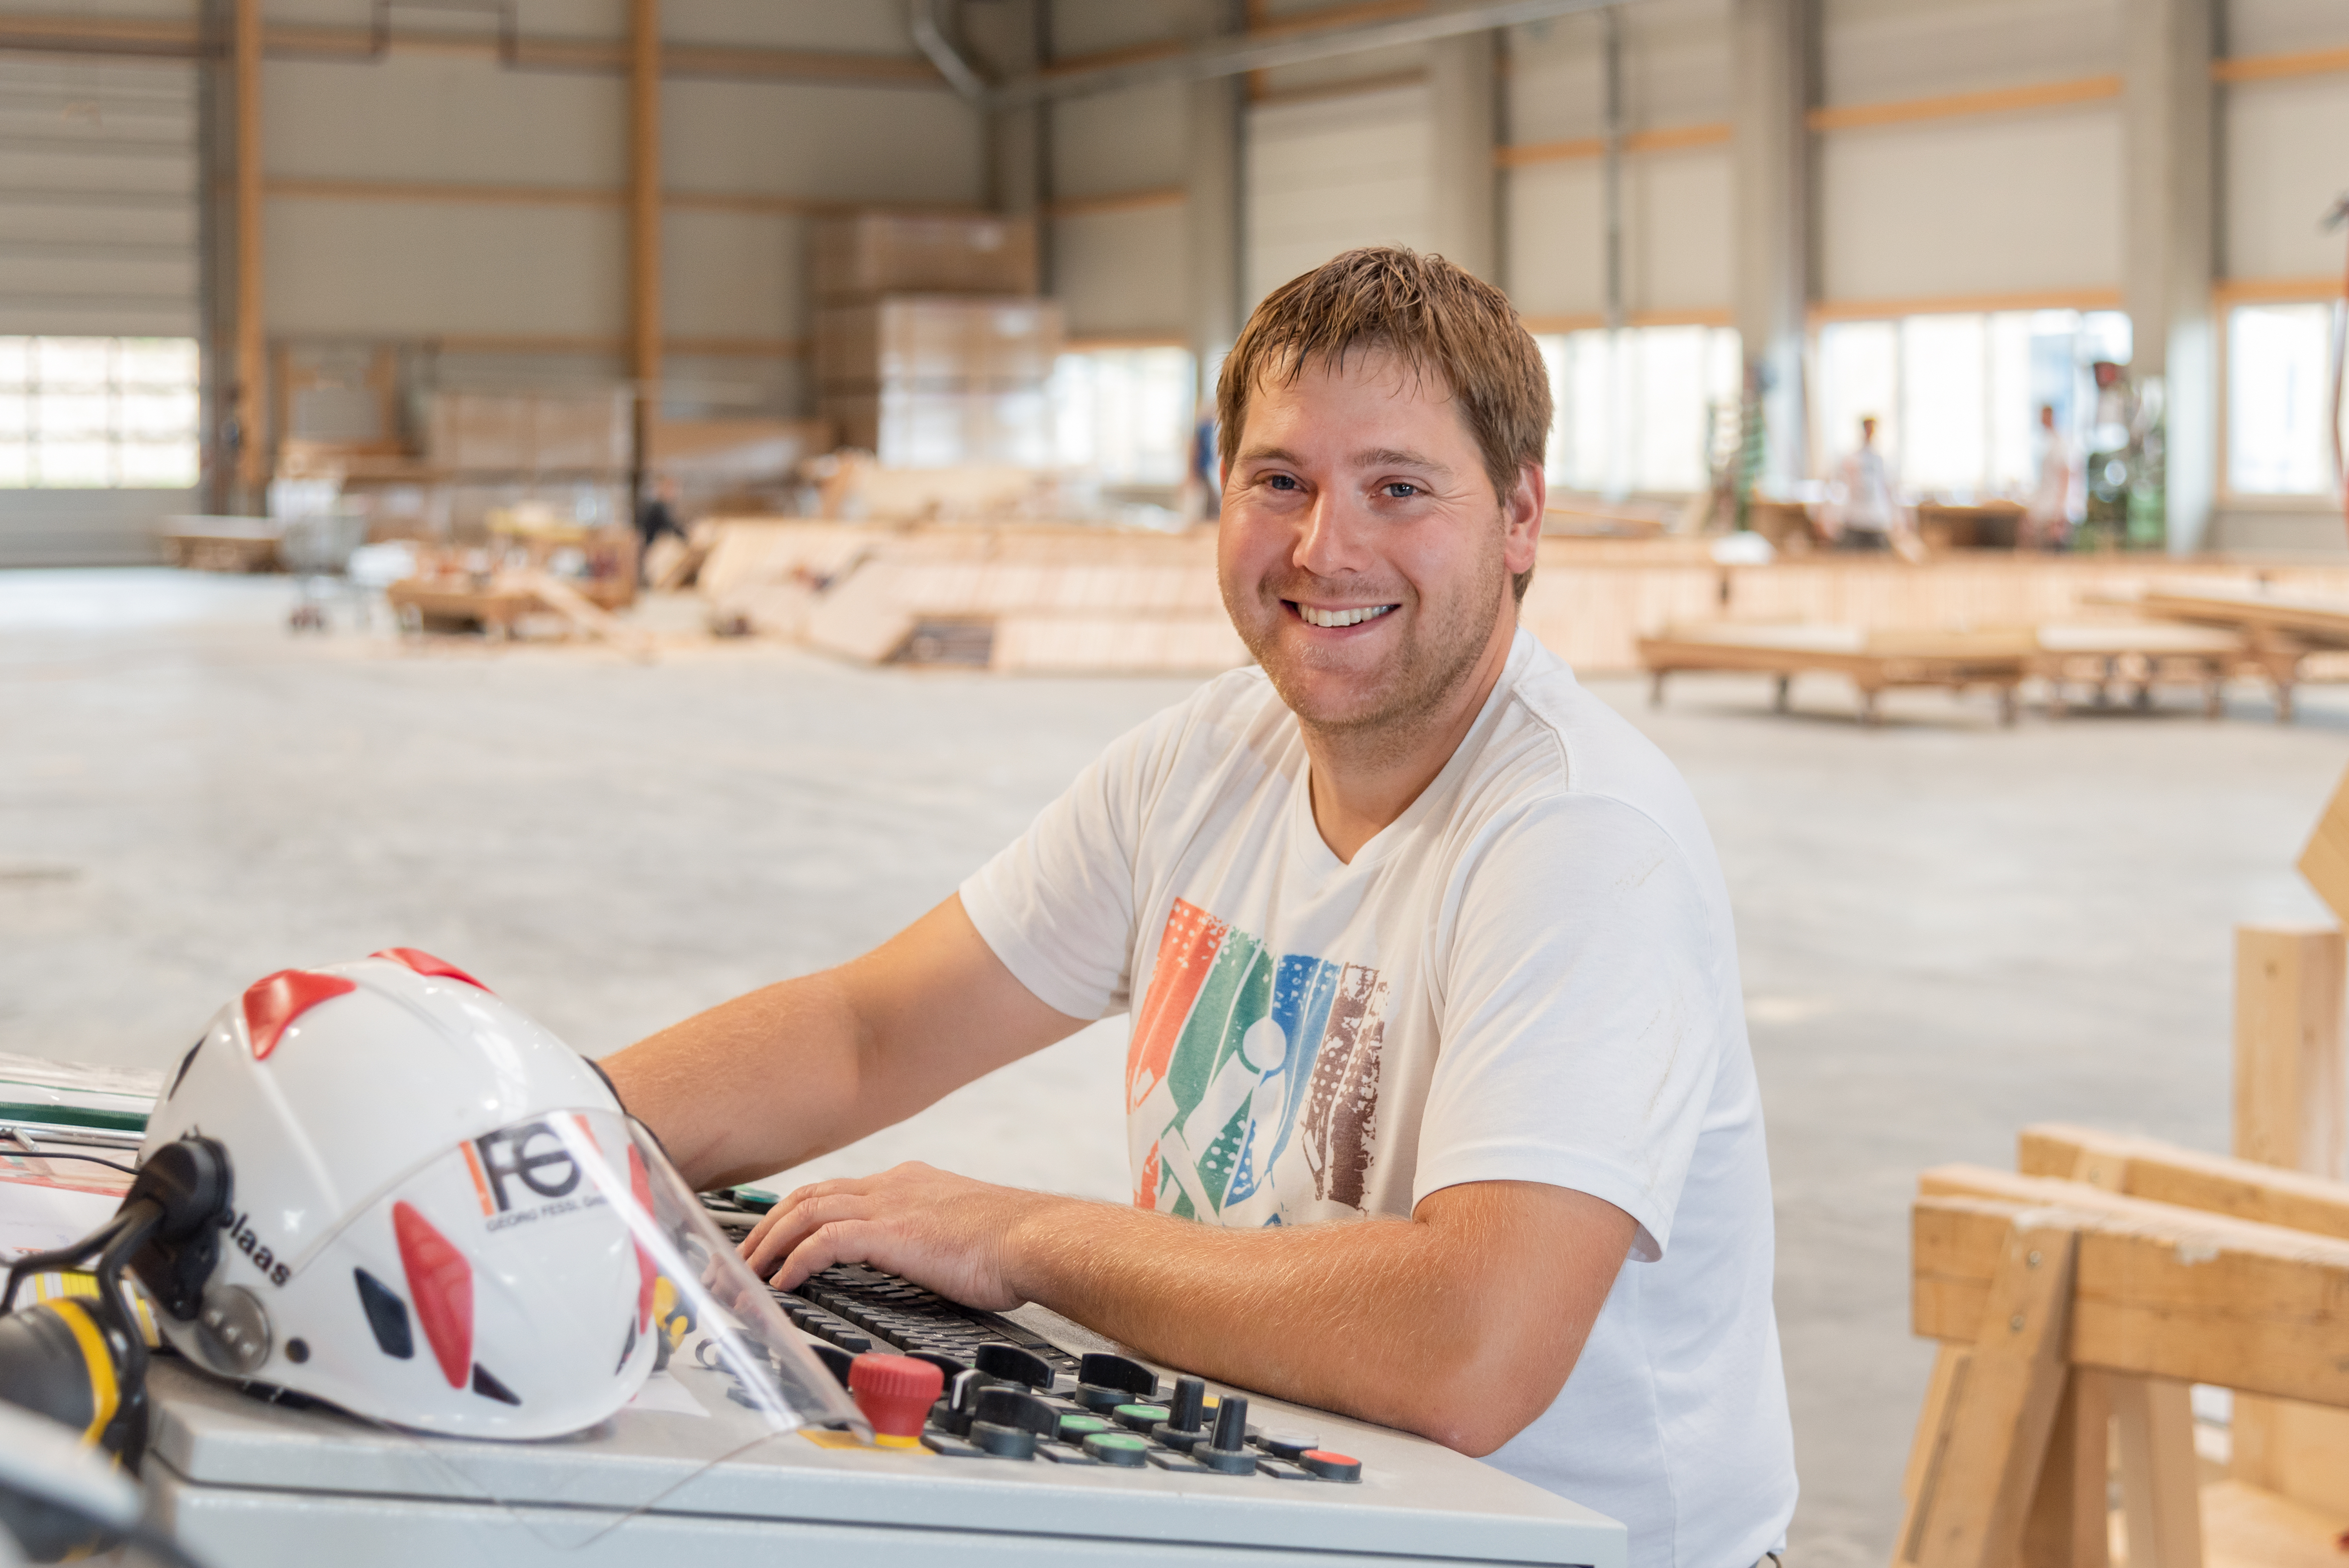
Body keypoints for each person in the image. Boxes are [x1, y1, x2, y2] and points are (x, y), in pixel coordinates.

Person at [603, 247, 1796, 1568]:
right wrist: (524, 1138)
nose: (1322, 546)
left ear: (1520, 517)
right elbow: (866, 1031)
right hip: (1299, 1510)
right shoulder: (1204, 763)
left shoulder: (1576, 840)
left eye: (1398, 489)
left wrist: (1019, 1236)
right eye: (1277, 481)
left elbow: (1470, 1348)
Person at [1823, 416, 1910, 552]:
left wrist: (1899, 522)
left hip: (1877, 523)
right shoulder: (1850, 459)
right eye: (1868, 428)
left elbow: (1892, 494)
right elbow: (1833, 487)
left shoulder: (1885, 462)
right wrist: (1828, 518)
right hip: (1854, 522)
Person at [2021, 403, 2076, 551]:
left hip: (2052, 508)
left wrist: (2060, 510)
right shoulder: (2045, 443)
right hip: (2043, 506)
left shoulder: (2060, 444)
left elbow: (2065, 475)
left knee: (2053, 551)